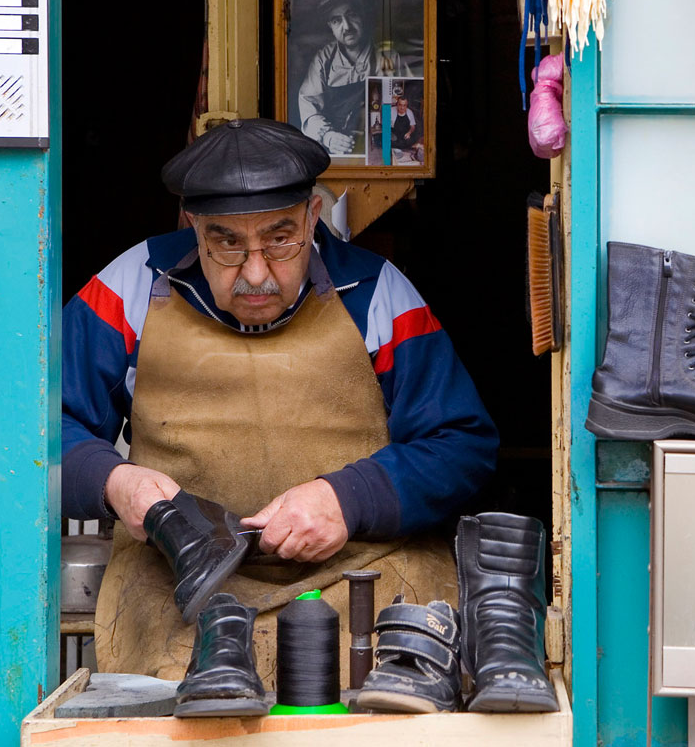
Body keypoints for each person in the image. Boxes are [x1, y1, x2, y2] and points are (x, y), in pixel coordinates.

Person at [61, 118, 497, 683]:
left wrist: (348, 499)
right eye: (227, 243)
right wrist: (118, 485)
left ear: (313, 215)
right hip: (179, 589)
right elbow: (36, 435)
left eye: (281, 238)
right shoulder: (130, 288)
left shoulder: (376, 293)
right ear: (193, 226)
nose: (257, 273)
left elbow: (463, 443)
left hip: (361, 575)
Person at [298, 0, 412, 156]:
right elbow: (309, 109)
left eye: (351, 15)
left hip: (379, 150)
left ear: (362, 15)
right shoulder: (323, 61)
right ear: (330, 26)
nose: (347, 27)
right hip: (336, 153)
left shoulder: (389, 58)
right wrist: (328, 136)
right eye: (336, 20)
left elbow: (408, 105)